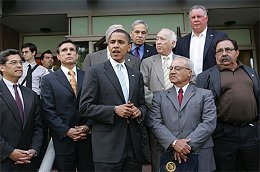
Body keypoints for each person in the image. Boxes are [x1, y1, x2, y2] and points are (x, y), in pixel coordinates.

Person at [80, 29, 147, 171]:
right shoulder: (95, 71)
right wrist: (114, 110)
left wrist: (139, 112)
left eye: (120, 42)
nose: (115, 45)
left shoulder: (136, 74)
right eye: (112, 42)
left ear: (129, 47)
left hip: (133, 149)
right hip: (107, 149)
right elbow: (85, 107)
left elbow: (142, 105)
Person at [196, 38, 259, 171]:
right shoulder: (205, 76)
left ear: (237, 52)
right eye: (219, 51)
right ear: (215, 56)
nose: (224, 54)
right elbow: (199, 107)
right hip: (223, 134)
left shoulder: (250, 72)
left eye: (228, 50)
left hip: (251, 132)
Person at [149, 56, 217, 172]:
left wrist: (185, 146)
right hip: (169, 154)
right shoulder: (159, 96)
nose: (172, 72)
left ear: (189, 73)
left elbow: (208, 123)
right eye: (170, 68)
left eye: (178, 68)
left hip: (200, 153)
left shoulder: (205, 94)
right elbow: (155, 123)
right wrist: (174, 143)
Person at [40, 39, 94, 171]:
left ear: (77, 55)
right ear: (58, 56)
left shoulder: (89, 76)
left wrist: (87, 126)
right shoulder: (48, 80)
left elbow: (95, 103)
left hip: (86, 138)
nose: (68, 52)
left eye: (72, 50)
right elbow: (48, 109)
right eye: (64, 50)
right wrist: (66, 131)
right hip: (63, 138)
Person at [140, 28, 178, 172]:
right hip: (156, 115)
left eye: (162, 39)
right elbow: (141, 87)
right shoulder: (147, 62)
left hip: (180, 116)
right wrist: (158, 104)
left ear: (173, 43)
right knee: (157, 155)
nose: (158, 42)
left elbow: (191, 84)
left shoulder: (183, 61)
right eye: (157, 39)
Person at [0, 49, 43, 171]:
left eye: (20, 62)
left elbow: (38, 127)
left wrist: (34, 150)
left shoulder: (31, 95)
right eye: (13, 62)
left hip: (29, 161)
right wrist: (10, 152)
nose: (19, 65)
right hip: (4, 162)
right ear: (2, 67)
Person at [175, 5, 228, 76]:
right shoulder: (181, 42)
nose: (196, 20)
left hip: (213, 82)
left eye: (199, 16)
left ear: (206, 18)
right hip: (189, 83)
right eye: (193, 17)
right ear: (190, 20)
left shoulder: (220, 37)